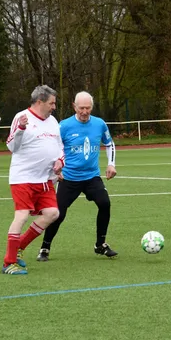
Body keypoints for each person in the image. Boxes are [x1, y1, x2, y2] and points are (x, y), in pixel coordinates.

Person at [37, 91, 117, 262]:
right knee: (58, 214)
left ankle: (100, 244)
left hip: (92, 177)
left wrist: (111, 164)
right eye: (81, 108)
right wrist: (55, 172)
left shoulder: (100, 124)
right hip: (69, 178)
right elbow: (53, 148)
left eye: (88, 108)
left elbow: (109, 143)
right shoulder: (64, 126)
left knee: (105, 203)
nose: (84, 111)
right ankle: (45, 247)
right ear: (74, 106)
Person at [2, 85, 64, 275]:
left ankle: (19, 246)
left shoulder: (53, 121)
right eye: (51, 103)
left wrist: (60, 161)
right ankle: (9, 262)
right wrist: (20, 128)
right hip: (23, 178)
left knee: (52, 213)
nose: (54, 107)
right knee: (21, 216)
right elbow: (12, 146)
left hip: (45, 180)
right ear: (40, 102)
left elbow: (59, 146)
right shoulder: (22, 117)